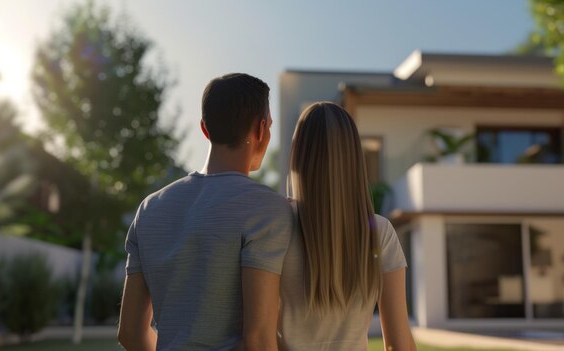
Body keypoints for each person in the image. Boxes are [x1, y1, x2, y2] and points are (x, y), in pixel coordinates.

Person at [118, 73, 293, 351]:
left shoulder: (150, 208)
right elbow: (258, 339)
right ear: (261, 130)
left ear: (204, 129)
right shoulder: (266, 209)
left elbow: (129, 333)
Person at [278, 102, 417, 351]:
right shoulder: (379, 231)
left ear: (298, 156)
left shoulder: (274, 226)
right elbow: (399, 344)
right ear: (354, 157)